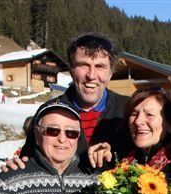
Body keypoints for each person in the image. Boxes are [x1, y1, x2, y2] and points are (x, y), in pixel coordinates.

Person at [10, 33, 131, 168]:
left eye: (100, 66)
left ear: (111, 73)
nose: (91, 75)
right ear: (71, 70)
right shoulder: (48, 112)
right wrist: (15, 170)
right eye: (83, 65)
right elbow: (29, 161)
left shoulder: (130, 110)